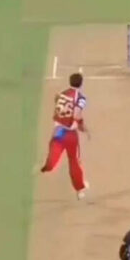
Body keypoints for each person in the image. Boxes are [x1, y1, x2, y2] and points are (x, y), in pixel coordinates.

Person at [40, 72, 90, 200]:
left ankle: (45, 167)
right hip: (70, 134)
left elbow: (57, 99)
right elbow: (76, 114)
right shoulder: (81, 98)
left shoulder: (62, 94)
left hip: (59, 131)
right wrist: (83, 126)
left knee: (53, 159)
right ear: (81, 84)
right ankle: (79, 190)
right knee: (74, 161)